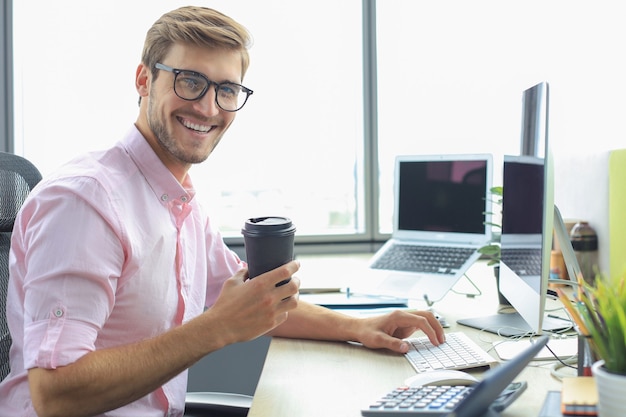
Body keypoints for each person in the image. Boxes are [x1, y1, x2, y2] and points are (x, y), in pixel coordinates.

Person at [0, 6, 445, 416]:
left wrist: (362, 327)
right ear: (143, 80)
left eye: (226, 89)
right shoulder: (85, 203)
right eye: (189, 81)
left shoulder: (180, 203)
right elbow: (55, 393)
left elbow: (254, 301)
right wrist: (215, 328)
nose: (208, 107)